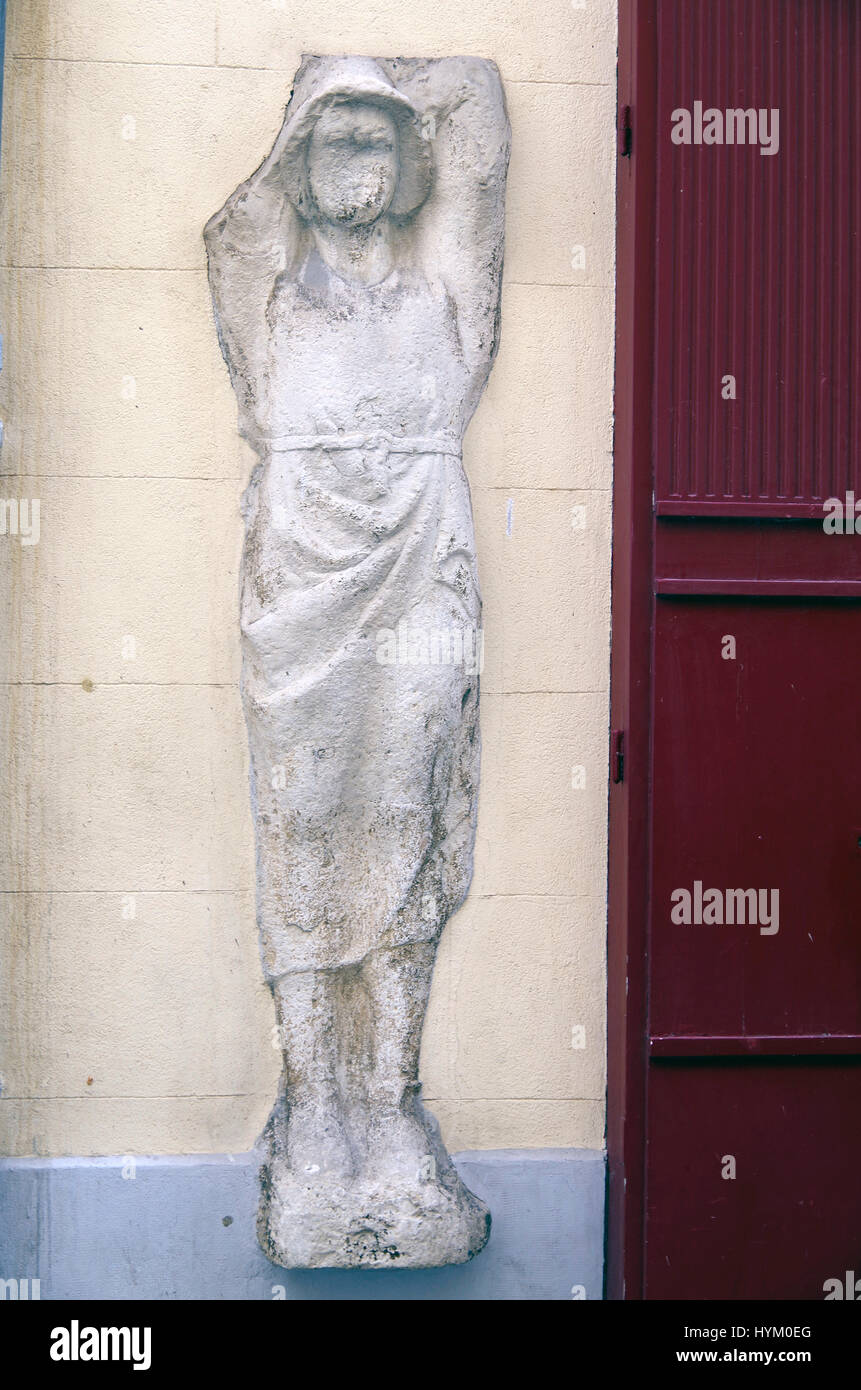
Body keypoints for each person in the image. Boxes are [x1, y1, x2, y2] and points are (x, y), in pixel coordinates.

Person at [205, 55, 508, 1267]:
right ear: (295, 163)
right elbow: (230, 225)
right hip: (302, 593)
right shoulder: (269, 304)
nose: (362, 164)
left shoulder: (446, 306)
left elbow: (480, 123)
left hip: (421, 577)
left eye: (383, 142)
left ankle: (386, 1106)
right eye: (333, 143)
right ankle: (314, 1111)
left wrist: (402, 87)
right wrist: (323, 98)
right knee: (305, 824)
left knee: (406, 824)